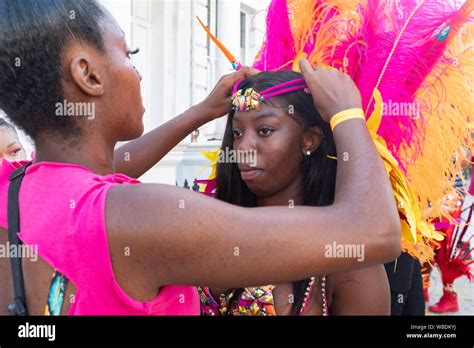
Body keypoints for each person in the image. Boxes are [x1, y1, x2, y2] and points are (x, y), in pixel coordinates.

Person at [0, 0, 400, 315]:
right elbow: (377, 233)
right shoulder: (145, 216)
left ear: (309, 140)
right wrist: (348, 113)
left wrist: (200, 112)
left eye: (264, 130)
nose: (138, 72)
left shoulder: (13, 188)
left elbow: (89, 174)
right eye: (130, 53)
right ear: (88, 75)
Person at [198, 70, 390, 316]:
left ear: (309, 140)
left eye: (264, 130)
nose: (242, 147)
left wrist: (348, 115)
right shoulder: (207, 222)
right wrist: (200, 112)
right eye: (236, 133)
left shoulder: (345, 255)